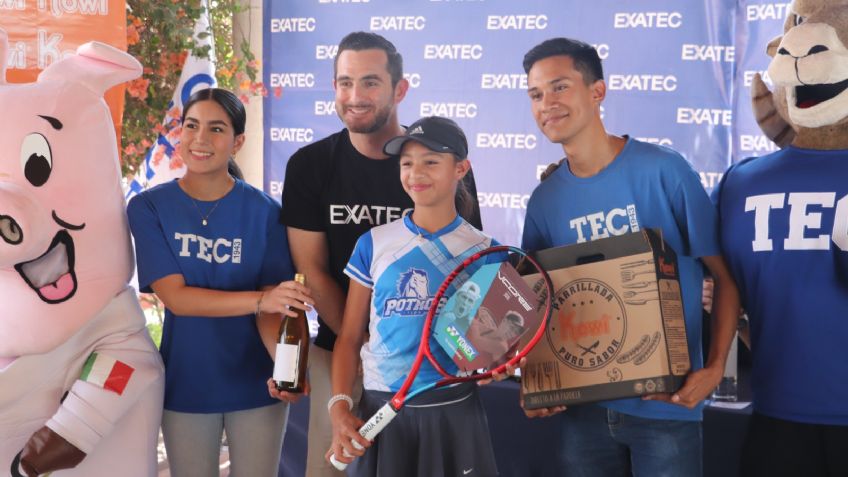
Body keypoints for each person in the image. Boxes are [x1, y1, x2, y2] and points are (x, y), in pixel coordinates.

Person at [518, 38, 741, 476]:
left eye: (560, 87)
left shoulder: (664, 170)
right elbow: (535, 303)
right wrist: (535, 382)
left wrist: (715, 368)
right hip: (583, 416)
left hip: (667, 410)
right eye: (536, 94)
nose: (547, 103)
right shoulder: (544, 200)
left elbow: (726, 279)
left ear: (597, 91)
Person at [277, 31, 483, 477]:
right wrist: (376, 350)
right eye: (344, 82)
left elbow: (469, 281)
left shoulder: (439, 165)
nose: (355, 96)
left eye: (370, 82)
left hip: (432, 379)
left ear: (399, 89)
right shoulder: (309, 165)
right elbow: (310, 269)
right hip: (343, 357)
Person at [127, 88, 314, 476]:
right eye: (191, 126)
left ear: (237, 141)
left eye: (216, 129)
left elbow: (275, 308)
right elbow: (177, 299)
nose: (200, 139)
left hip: (256, 384)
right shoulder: (149, 207)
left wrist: (285, 371)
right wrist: (261, 300)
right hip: (187, 381)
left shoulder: (265, 213)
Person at [327, 116, 499, 476]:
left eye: (431, 162)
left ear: (460, 168)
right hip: (380, 407)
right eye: (407, 163)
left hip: (454, 410)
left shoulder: (487, 252)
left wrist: (494, 365)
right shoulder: (372, 244)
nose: (416, 173)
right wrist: (340, 407)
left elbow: (490, 344)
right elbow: (349, 336)